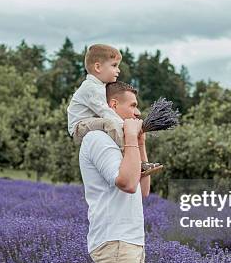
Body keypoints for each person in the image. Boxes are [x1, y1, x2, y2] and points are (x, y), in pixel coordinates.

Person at [79, 81, 149, 263]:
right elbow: (127, 183)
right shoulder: (98, 139)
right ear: (113, 105)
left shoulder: (122, 143)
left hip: (129, 240)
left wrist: (140, 142)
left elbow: (143, 190)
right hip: (116, 240)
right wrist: (131, 138)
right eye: (132, 105)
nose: (137, 112)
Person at [68, 43, 163, 177]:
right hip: (79, 127)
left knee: (111, 125)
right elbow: (105, 111)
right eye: (114, 65)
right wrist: (126, 127)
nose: (118, 70)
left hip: (90, 122)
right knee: (110, 124)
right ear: (98, 67)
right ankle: (130, 160)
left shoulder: (101, 87)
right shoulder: (90, 88)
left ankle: (131, 160)